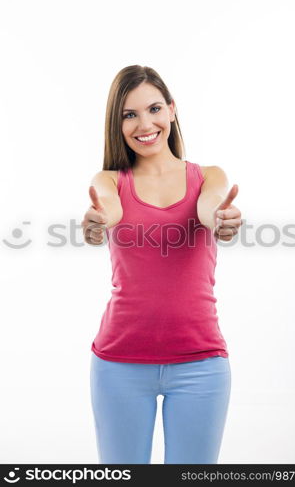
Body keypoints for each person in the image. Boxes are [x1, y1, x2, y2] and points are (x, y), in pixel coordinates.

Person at [81, 65, 242, 464]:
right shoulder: (109, 182)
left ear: (172, 110)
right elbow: (109, 211)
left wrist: (221, 220)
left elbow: (209, 208)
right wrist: (96, 224)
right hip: (119, 364)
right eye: (129, 115)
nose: (145, 124)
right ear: (116, 124)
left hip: (201, 364)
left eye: (154, 109)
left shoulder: (209, 177)